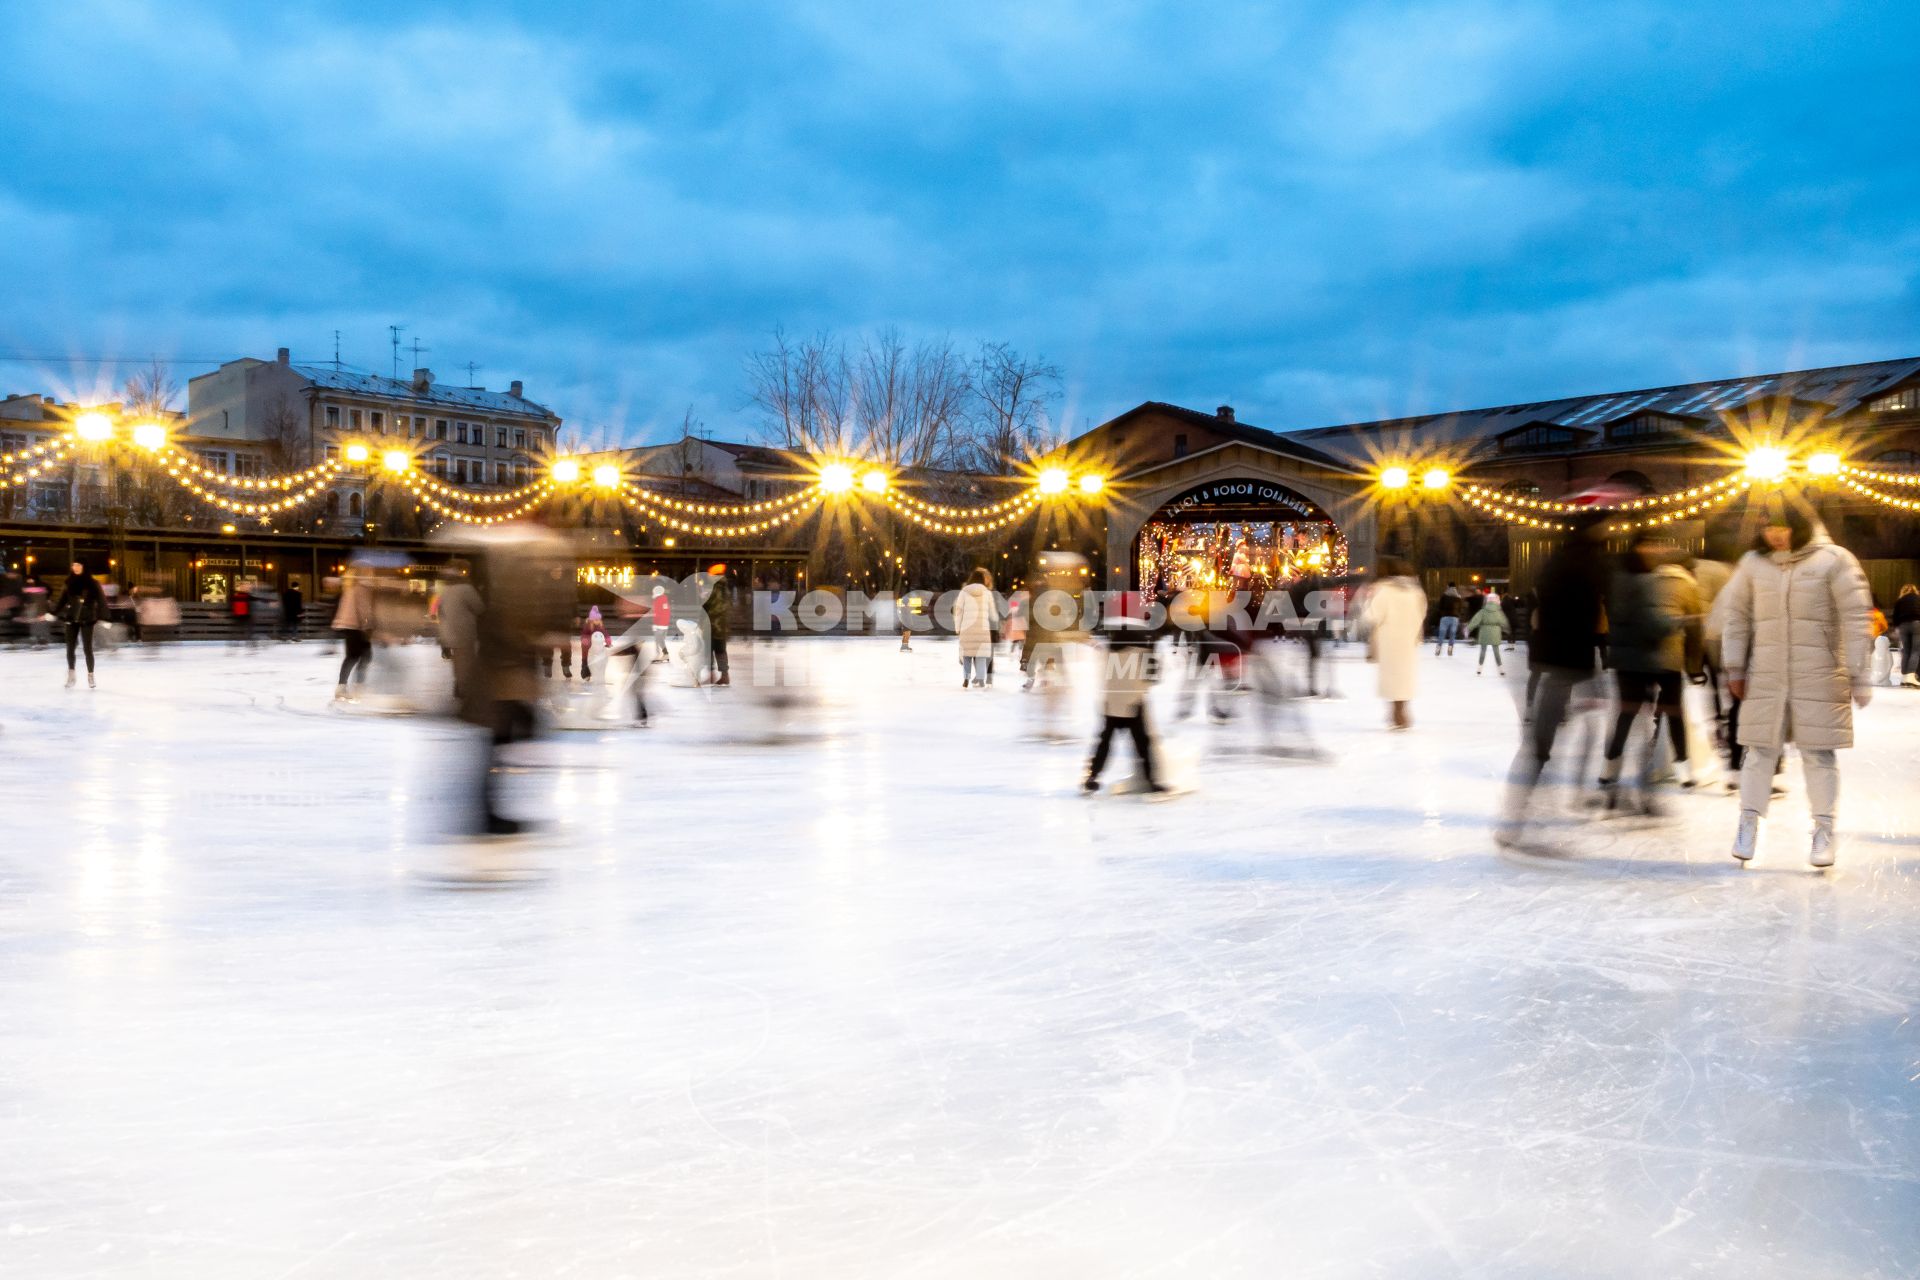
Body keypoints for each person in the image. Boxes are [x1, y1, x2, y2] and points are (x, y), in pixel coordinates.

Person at [1720, 499, 1873, 868]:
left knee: (1818, 753)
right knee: (1758, 751)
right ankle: (1748, 821)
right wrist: (1735, 667)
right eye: (1766, 526)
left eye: (1781, 526)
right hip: (1767, 673)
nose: (1773, 533)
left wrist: (1858, 672)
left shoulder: (1834, 560)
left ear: (1799, 525)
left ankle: (1823, 829)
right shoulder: (1753, 565)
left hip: (1819, 671)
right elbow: (1736, 615)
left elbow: (1855, 617)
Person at [1497, 519, 1610, 848]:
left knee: (1549, 744)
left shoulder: (1563, 561)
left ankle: (1523, 817)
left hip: (1559, 661)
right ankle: (1519, 819)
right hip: (1565, 663)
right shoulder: (1582, 564)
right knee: (1544, 745)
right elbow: (1580, 614)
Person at [1598, 534, 1699, 811]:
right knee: (1671, 712)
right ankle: (1682, 770)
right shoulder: (1644, 581)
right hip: (1654, 656)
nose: (1658, 551)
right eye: (1653, 546)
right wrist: (1680, 621)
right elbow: (1651, 622)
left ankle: (1610, 769)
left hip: (1630, 657)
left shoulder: (1623, 577)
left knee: (1628, 715)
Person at [1083, 616, 1165, 794]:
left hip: (1111, 705)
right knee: (1143, 745)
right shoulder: (1142, 653)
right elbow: (1152, 678)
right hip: (1133, 705)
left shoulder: (1109, 651)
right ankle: (1152, 781)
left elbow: (1104, 675)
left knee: (1104, 743)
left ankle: (1092, 777)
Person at [1363, 555, 1426, 730]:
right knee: (1404, 676)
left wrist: (1367, 599)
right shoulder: (1415, 590)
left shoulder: (1384, 590)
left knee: (1392, 678)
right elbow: (1422, 612)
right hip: (1408, 638)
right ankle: (1400, 711)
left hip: (1388, 639)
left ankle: (1397, 714)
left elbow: (1372, 615)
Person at [57, 561, 106, 688]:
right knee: (70, 648)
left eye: (78, 565)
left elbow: (101, 600)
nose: (76, 568)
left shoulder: (92, 583)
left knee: (87, 648)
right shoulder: (68, 582)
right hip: (71, 617)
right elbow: (62, 599)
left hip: (87, 618)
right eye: (74, 565)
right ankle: (71, 675)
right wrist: (53, 612)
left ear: (84, 567)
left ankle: (90, 675)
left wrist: (105, 617)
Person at [331, 568, 375, 700]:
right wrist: (367, 625)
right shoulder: (361, 587)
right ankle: (358, 686)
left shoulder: (349, 586)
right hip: (357, 626)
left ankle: (343, 687)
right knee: (364, 655)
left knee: (352, 656)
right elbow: (363, 608)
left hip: (348, 625)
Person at [954, 568, 997, 688]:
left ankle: (966, 678)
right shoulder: (987, 593)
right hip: (983, 629)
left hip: (967, 628)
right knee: (981, 656)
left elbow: (958, 611)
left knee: (967, 655)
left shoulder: (964, 592)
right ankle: (981, 679)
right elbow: (993, 614)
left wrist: (958, 628)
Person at [1465, 591, 1510, 674]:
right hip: (1495, 633)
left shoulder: (1483, 611)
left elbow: (1475, 620)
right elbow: (1504, 621)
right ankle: (1501, 669)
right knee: (1496, 651)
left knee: (1483, 650)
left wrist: (1468, 628)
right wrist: (1507, 629)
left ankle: (1479, 668)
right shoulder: (1499, 612)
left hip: (1484, 632)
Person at [702, 568, 732, 686]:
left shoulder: (713, 589)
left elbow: (706, 605)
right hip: (722, 624)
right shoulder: (726, 589)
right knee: (721, 650)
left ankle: (711, 675)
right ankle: (725, 675)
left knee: (709, 650)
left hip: (712, 623)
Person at [1894, 583, 1920, 688]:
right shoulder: (1918, 598)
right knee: (1916, 650)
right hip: (1917, 624)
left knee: (1906, 651)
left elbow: (1895, 615)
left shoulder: (1900, 600)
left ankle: (1904, 678)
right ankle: (1911, 678)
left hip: (1903, 625)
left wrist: (1897, 627)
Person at [579, 605, 608, 681]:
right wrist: (585, 640)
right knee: (585, 659)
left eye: (598, 619)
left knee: (600, 658)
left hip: (597, 647)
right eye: (595, 619)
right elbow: (584, 635)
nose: (597, 621)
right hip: (587, 647)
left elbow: (605, 634)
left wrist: (608, 641)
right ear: (591, 619)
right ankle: (585, 673)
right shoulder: (587, 626)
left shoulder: (601, 626)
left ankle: (598, 672)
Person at [1434, 583, 1464, 655]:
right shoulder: (1458, 597)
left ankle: (1438, 648)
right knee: (1452, 634)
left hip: (1445, 617)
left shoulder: (1444, 596)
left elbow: (1440, 606)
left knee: (1442, 633)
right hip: (1455, 618)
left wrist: (1441, 614)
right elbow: (1460, 608)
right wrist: (1458, 615)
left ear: (1448, 586)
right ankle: (1450, 649)